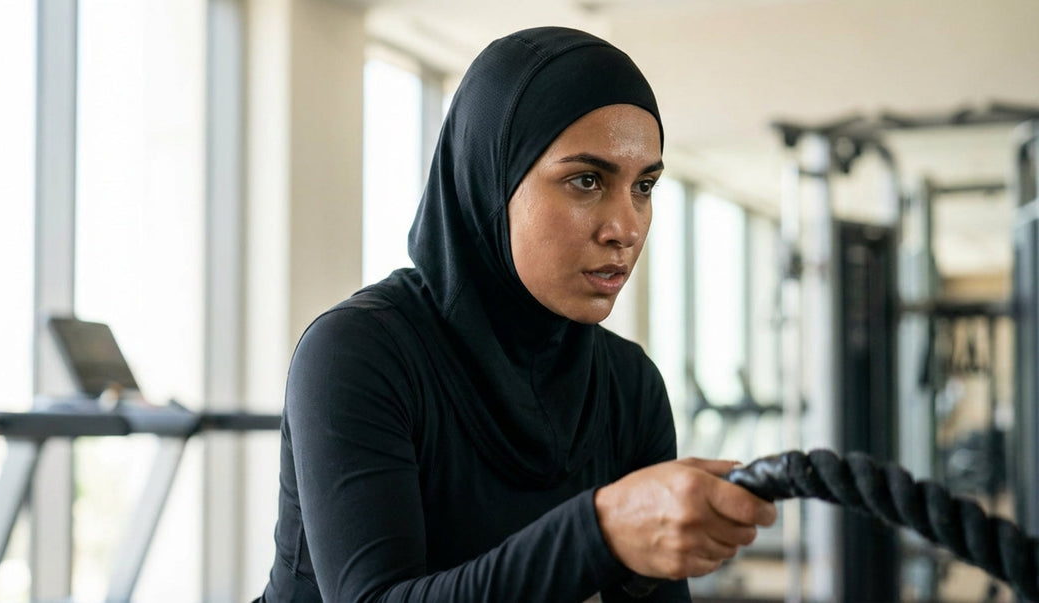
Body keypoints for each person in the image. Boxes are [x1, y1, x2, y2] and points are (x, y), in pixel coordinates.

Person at [257, 26, 776, 602]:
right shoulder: (358, 352)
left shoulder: (629, 385)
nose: (625, 228)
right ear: (491, 179)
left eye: (644, 186)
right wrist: (600, 532)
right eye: (586, 180)